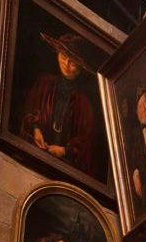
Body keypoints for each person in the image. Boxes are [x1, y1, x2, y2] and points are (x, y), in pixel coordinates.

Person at [19, 32, 100, 177]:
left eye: (72, 62)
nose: (66, 64)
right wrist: (36, 130)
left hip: (63, 172)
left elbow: (85, 143)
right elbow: (29, 112)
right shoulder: (44, 83)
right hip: (33, 158)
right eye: (63, 57)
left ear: (80, 68)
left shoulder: (84, 105)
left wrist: (64, 151)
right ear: (57, 55)